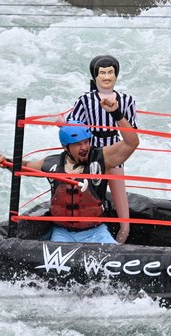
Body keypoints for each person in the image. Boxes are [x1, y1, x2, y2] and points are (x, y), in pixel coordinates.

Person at [0, 105, 139, 244]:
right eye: (78, 144)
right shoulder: (52, 164)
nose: (84, 147)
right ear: (65, 147)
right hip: (62, 233)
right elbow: (26, 167)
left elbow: (132, 143)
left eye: (86, 142)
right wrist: (5, 162)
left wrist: (116, 113)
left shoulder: (103, 158)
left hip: (95, 233)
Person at [66, 55, 138, 244]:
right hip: (91, 149)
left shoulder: (127, 100)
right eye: (102, 73)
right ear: (95, 76)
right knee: (88, 190)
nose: (107, 77)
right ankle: (84, 230)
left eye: (110, 72)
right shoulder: (85, 100)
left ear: (116, 75)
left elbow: (132, 131)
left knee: (119, 192)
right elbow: (74, 124)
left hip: (115, 146)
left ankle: (124, 232)